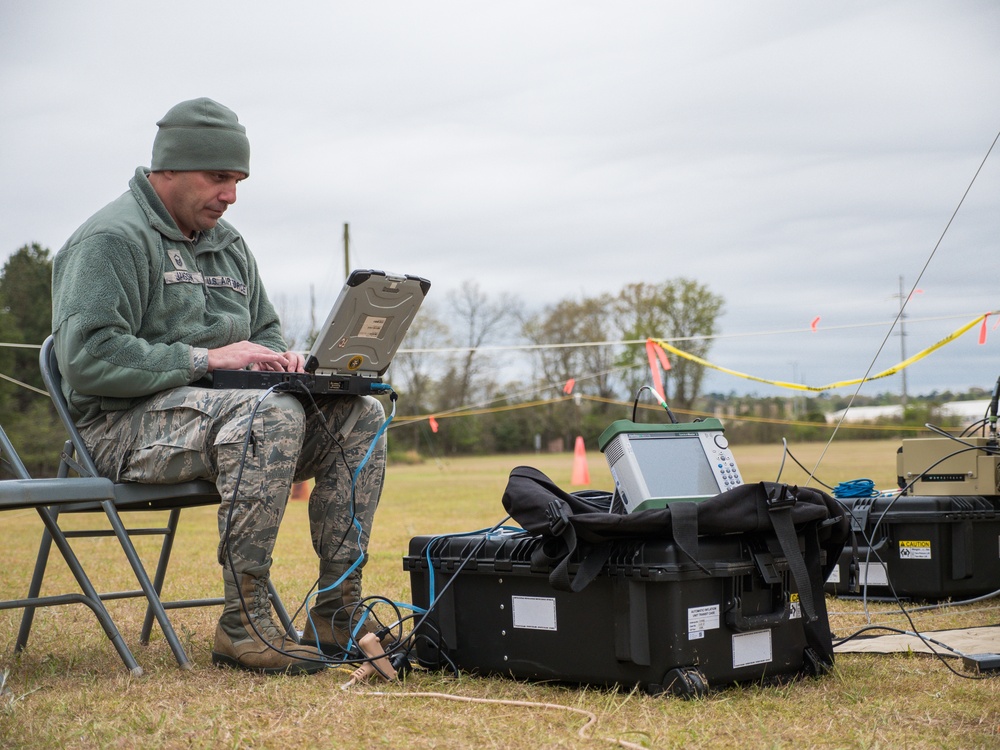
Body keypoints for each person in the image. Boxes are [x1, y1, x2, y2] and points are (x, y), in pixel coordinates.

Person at [51, 97, 387, 675]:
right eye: (219, 178)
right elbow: (88, 357)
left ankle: (337, 613)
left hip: (225, 420)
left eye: (237, 180)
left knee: (359, 415)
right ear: (169, 169)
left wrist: (286, 361)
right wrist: (204, 358)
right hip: (113, 431)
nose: (230, 194)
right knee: (270, 417)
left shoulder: (227, 244)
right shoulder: (111, 240)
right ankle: (246, 625)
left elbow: (263, 331)